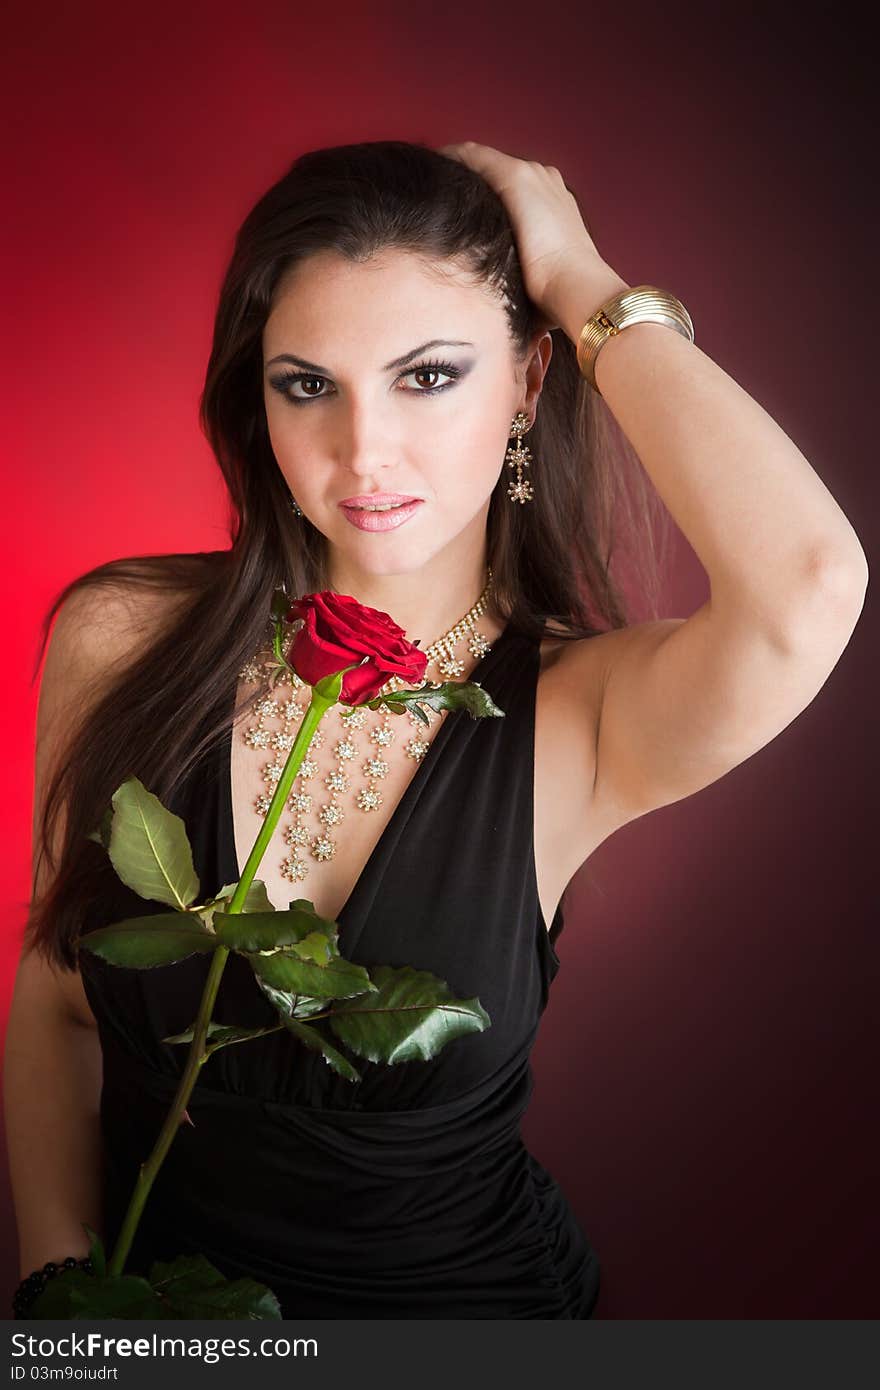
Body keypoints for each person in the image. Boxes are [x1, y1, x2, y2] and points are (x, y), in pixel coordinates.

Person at [4, 139, 868, 1320]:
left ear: (527, 380)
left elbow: (809, 586)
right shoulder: (120, 636)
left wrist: (572, 270)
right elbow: (57, 998)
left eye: (428, 376)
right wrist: (62, 1306)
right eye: (307, 384)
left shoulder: (581, 712)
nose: (364, 452)